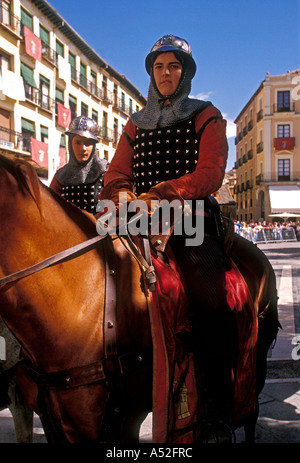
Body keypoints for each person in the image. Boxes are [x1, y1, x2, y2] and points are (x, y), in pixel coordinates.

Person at [99, 35, 237, 442]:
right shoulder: (134, 123)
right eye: (159, 67)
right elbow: (114, 174)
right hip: (137, 220)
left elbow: (211, 172)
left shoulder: (206, 114)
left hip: (190, 222)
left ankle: (217, 410)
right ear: (151, 72)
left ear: (186, 73)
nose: (165, 73)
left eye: (174, 66)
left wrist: (162, 193)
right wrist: (122, 193)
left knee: (211, 301)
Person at [50, 115, 108, 214]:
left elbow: (119, 205)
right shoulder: (60, 176)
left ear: (94, 146)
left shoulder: (107, 171)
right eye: (77, 142)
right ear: (70, 144)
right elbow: (50, 206)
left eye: (88, 143)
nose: (83, 148)